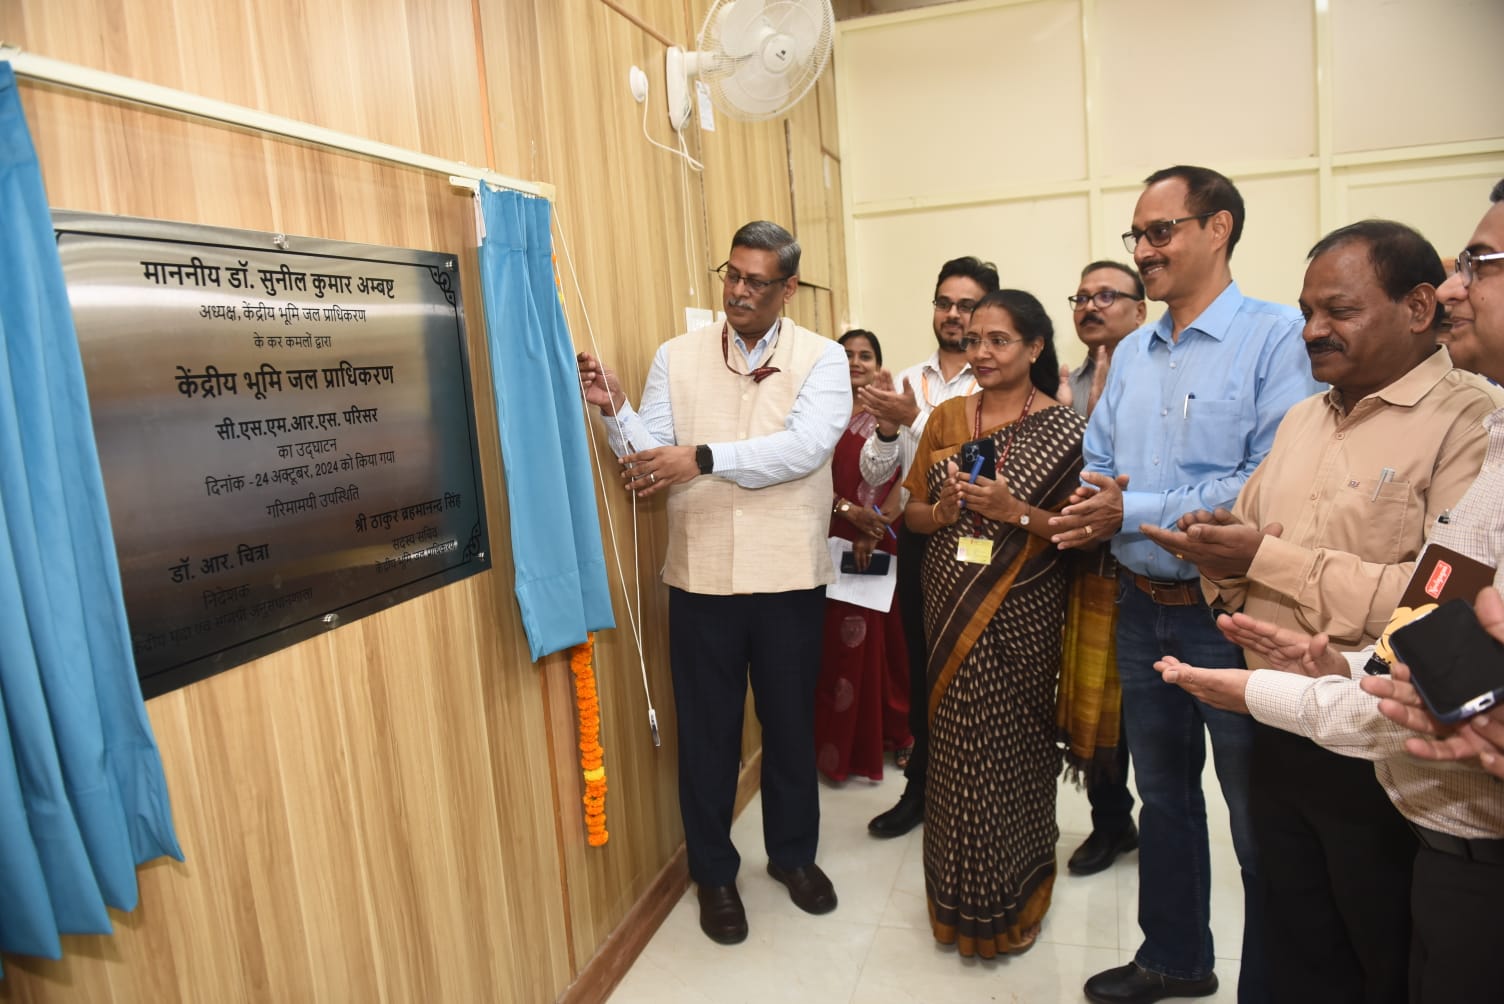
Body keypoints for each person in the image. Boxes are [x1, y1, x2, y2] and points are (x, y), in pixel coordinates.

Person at [1156, 179, 1504, 1004]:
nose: (1310, 331)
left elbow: (1437, 613)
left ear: (1419, 307)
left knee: (1377, 949)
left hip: (1391, 745)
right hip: (1281, 709)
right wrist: (1218, 551)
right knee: (1287, 930)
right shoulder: (1304, 418)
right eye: (1307, 310)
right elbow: (1248, 535)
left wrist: (1268, 565)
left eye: (1336, 311)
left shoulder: (1467, 421)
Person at [1051, 165, 1322, 1004]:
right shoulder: (1130, 352)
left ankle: (1278, 984)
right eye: (1138, 234)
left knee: (1257, 814)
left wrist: (1125, 513)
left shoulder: (1278, 338)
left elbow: (1267, 481)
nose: (1144, 250)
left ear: (1220, 228)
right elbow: (1099, 460)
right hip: (1143, 607)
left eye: (1160, 231)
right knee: (1164, 800)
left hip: (1234, 613)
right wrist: (1099, 505)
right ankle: (1174, 958)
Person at [575, 221, 849, 946]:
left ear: (788, 288)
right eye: (731, 275)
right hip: (699, 578)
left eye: (757, 281)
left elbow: (803, 449)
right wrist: (616, 412)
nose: (739, 292)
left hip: (788, 576)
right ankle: (714, 874)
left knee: (790, 728)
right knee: (707, 737)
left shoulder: (822, 360)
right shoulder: (678, 355)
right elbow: (650, 457)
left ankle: (793, 857)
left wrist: (699, 455)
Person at [901, 289, 1084, 958]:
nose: (980, 352)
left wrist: (1015, 511)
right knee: (953, 755)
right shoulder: (948, 417)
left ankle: (1017, 896)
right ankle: (955, 905)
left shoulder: (1068, 429)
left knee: (1014, 753)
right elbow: (912, 515)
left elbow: (1079, 533)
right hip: (949, 603)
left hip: (1024, 613)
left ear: (1034, 347)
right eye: (974, 339)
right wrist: (944, 511)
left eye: (998, 340)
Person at [858, 256, 1001, 838]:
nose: (953, 314)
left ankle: (980, 797)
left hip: (980, 544)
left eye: (967, 304)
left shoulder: (998, 377)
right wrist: (890, 429)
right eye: (944, 302)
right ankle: (920, 791)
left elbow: (984, 458)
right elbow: (875, 470)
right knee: (920, 665)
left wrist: (913, 418)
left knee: (977, 667)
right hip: (921, 534)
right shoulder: (909, 377)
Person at [1056, 261, 1146, 878]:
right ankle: (1112, 820)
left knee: (1148, 713)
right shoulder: (1072, 379)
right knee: (1094, 703)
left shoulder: (1154, 373)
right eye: (1082, 297)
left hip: (1149, 560)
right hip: (1087, 566)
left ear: (1141, 309)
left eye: (1107, 296)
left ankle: (1153, 822)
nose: (1091, 306)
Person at [815, 329, 912, 782]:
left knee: (880, 644)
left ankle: (893, 734)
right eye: (846, 354)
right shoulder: (818, 412)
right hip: (828, 535)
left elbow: (906, 477)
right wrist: (846, 510)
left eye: (865, 355)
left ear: (878, 365)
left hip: (876, 537)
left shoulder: (891, 414)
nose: (855, 362)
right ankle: (837, 743)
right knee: (834, 645)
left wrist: (876, 522)